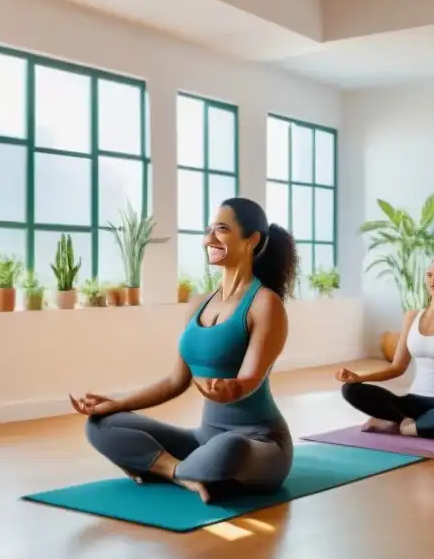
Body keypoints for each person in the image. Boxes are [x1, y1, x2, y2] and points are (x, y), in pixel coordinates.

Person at [72, 197, 298, 505]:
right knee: (101, 424)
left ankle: (167, 468)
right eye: (208, 230)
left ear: (252, 240)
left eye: (221, 229)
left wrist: (231, 388)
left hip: (259, 443)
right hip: (203, 439)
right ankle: (181, 472)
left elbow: (249, 380)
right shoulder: (198, 303)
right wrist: (114, 403)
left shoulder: (265, 304)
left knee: (229, 448)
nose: (209, 239)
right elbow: (175, 381)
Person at [335, 254, 434, 439]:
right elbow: (396, 367)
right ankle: (408, 423)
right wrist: (358, 377)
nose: (433, 281)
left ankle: (402, 425)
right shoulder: (412, 317)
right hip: (412, 402)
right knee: (350, 389)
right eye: (429, 275)